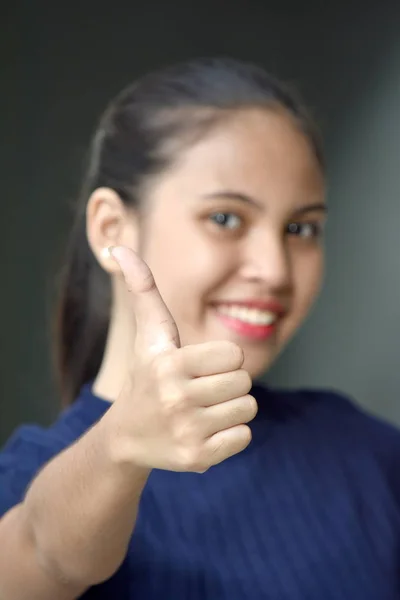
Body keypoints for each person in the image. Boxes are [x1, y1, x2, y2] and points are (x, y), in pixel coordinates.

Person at [0, 57, 399, 600]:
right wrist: (122, 446)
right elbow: (39, 553)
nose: (275, 269)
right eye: (226, 218)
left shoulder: (361, 453)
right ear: (112, 228)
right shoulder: (30, 478)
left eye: (301, 228)